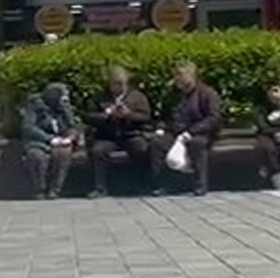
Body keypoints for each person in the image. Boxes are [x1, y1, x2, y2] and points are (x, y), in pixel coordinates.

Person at [149, 62, 222, 196]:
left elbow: (213, 118)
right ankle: (162, 185)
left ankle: (200, 185)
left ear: (191, 76)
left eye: (180, 75)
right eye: (176, 75)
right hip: (175, 131)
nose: (177, 78)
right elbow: (164, 116)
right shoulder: (171, 95)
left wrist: (192, 131)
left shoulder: (207, 93)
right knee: (157, 143)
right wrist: (160, 128)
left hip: (199, 131)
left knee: (197, 143)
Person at [85, 66, 152, 198]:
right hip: (107, 136)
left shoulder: (137, 97)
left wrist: (128, 114)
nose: (119, 87)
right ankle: (100, 188)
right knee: (97, 151)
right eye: (116, 84)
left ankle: (141, 185)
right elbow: (89, 116)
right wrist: (107, 115)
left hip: (130, 134)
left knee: (141, 148)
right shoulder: (100, 97)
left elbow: (146, 117)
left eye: (122, 84)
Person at [21, 83, 81, 199]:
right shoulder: (35, 106)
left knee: (62, 154)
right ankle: (40, 189)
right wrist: (49, 139)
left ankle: (55, 189)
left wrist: (70, 137)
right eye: (63, 96)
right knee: (37, 156)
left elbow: (73, 126)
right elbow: (29, 127)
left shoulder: (65, 108)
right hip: (39, 141)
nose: (65, 100)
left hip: (60, 139)